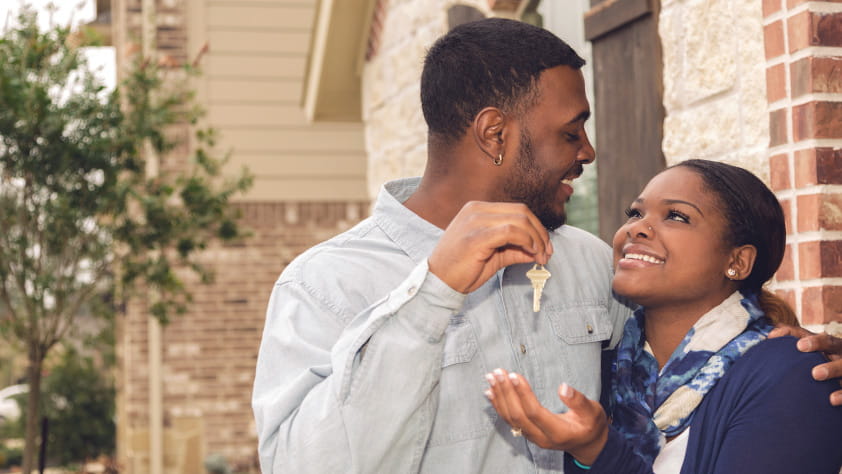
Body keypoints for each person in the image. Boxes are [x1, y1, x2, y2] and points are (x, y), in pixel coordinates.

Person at [252, 18, 842, 473]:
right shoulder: (327, 284)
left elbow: (702, 335)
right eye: (570, 131)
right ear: (495, 134)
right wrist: (433, 291)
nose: (588, 151)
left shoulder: (586, 261)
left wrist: (804, 358)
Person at [485, 160, 842, 473]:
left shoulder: (790, 375)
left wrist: (599, 451)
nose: (636, 228)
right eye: (635, 213)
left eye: (676, 216)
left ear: (737, 261)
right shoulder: (606, 376)